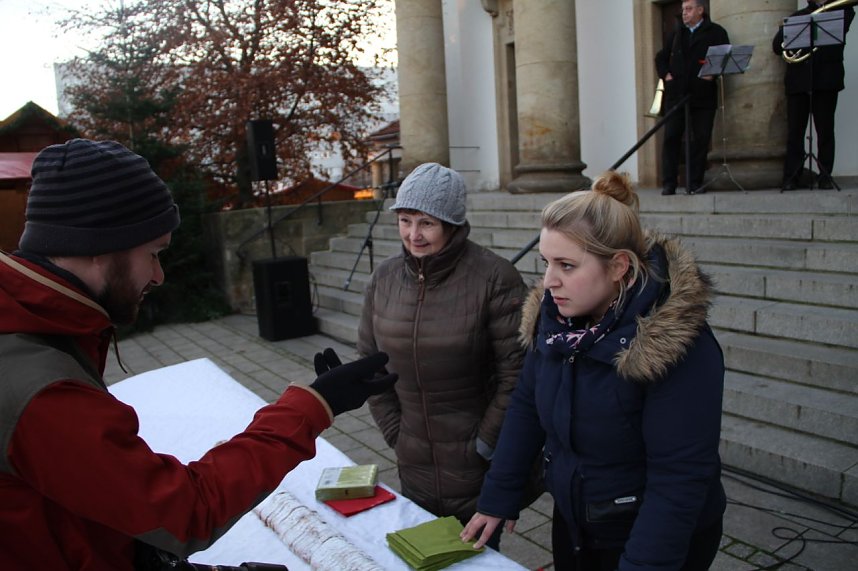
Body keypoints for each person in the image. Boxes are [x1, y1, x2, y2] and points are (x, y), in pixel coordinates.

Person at [0, 138, 396, 570]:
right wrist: (313, 406)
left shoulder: (38, 326)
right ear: (98, 245)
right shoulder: (37, 385)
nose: (159, 274)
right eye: (152, 253)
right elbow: (187, 510)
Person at [461, 171, 726, 570]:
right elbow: (527, 408)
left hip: (653, 538)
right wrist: (500, 494)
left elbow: (680, 477)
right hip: (577, 524)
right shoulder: (555, 320)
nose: (549, 281)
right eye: (547, 262)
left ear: (619, 266)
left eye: (566, 265)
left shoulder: (677, 345)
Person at [357, 162, 538, 549]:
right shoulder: (384, 279)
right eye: (405, 220)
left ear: (452, 224)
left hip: (476, 468)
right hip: (414, 463)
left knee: (475, 559)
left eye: (427, 223)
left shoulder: (495, 277)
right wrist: (397, 433)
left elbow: (518, 374)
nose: (413, 235)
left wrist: (484, 445)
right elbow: (369, 364)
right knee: (423, 555)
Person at [772, 0, 854, 191]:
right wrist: (792, 31)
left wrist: (826, 8)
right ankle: (792, 176)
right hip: (798, 81)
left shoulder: (842, 11)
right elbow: (777, 46)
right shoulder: (797, 17)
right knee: (795, 132)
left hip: (826, 80)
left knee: (825, 130)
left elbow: (844, 25)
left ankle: (825, 176)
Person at [655, 0, 730, 195]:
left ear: (700, 10)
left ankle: (695, 182)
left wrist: (711, 74)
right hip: (677, 95)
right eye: (683, 10)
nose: (684, 13)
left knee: (701, 138)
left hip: (702, 95)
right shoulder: (677, 33)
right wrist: (667, 76)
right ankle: (669, 183)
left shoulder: (715, 32)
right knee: (671, 137)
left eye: (688, 9)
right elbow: (661, 58)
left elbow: (724, 55)